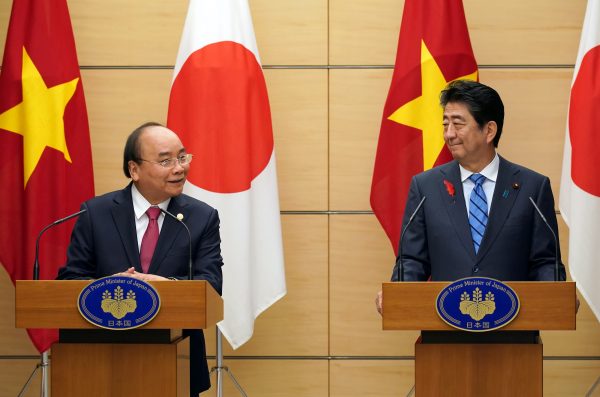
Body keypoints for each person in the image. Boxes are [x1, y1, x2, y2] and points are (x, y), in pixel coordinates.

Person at [57, 121, 223, 395]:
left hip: (177, 361)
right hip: (99, 360)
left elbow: (211, 285)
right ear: (134, 169)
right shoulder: (95, 213)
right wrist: (106, 287)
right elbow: (69, 280)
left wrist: (165, 283)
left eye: (182, 157)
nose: (179, 167)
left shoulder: (201, 218)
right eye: (166, 160)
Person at [376, 80, 565, 314]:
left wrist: (558, 296)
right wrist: (397, 293)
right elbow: (412, 260)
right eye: (445, 124)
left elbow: (545, 262)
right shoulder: (426, 187)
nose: (448, 134)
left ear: (489, 131)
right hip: (444, 335)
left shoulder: (532, 188)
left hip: (514, 336)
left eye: (457, 124)